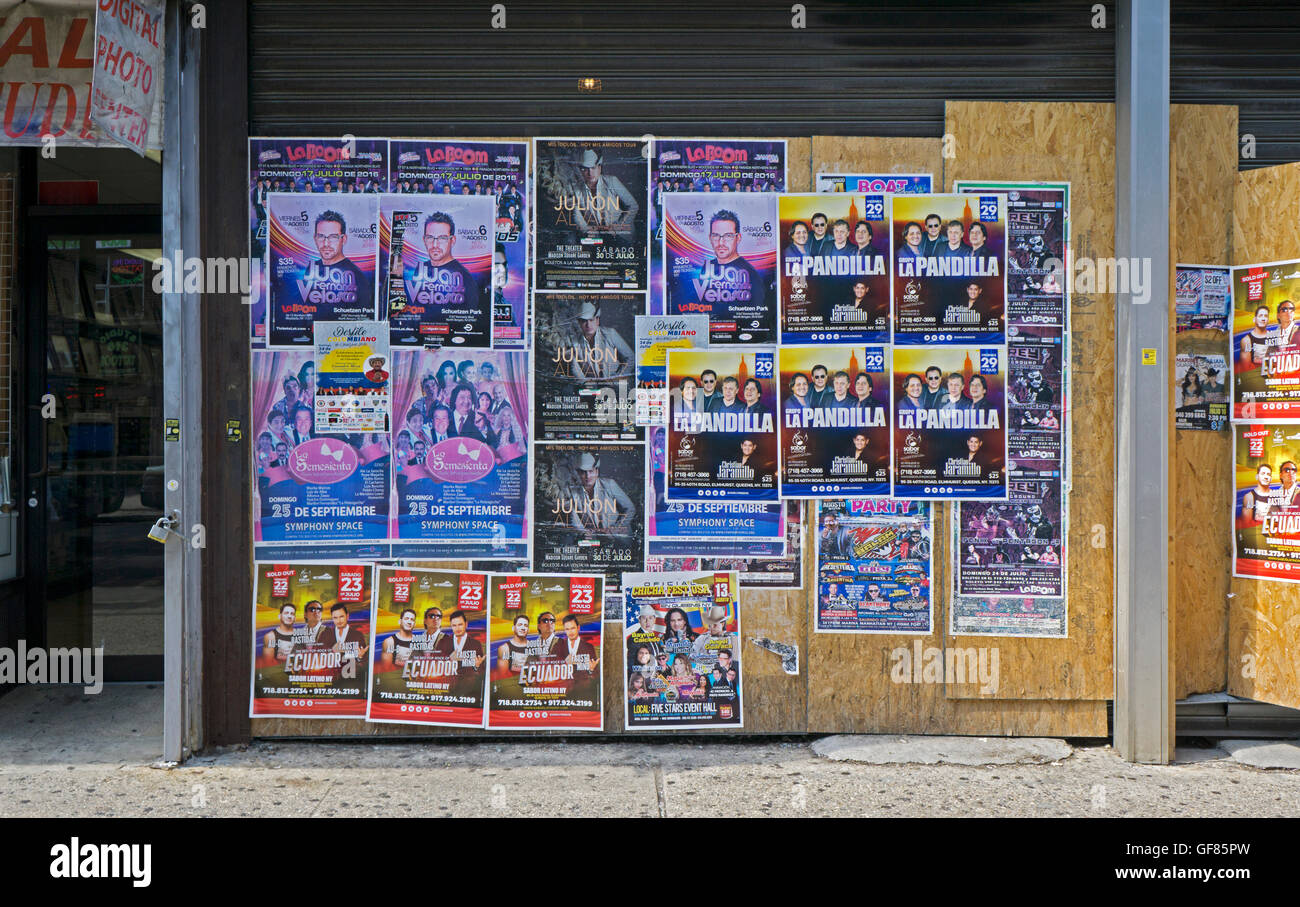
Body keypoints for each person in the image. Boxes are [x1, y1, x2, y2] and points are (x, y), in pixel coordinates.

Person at [297, 209, 373, 311]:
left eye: (333, 237)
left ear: (344, 239)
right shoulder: (311, 268)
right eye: (321, 236)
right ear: (315, 238)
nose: (326, 243)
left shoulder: (357, 277)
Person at [570, 148, 640, 233]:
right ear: (581, 171)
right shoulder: (577, 189)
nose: (590, 173)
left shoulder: (612, 181)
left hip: (620, 235)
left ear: (599, 167)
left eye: (593, 168)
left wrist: (616, 228)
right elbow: (577, 218)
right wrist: (589, 231)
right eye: (585, 169)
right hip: (597, 235)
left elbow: (633, 206)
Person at [567, 451, 636, 532]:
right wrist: (585, 533)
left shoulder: (609, 485)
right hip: (595, 540)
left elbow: (630, 508)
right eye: (583, 472)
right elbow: (575, 522)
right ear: (578, 473)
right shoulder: (574, 493)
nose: (588, 476)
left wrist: (614, 529)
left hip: (618, 538)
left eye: (591, 471)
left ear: (597, 471)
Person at [564, 300, 634, 379]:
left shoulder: (610, 334)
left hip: (614, 385)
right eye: (584, 321)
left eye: (591, 320)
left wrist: (618, 378)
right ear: (579, 323)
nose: (588, 325)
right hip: (591, 387)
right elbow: (575, 369)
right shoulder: (574, 342)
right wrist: (586, 384)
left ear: (597, 320)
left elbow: (630, 358)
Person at [319, 602, 368, 666]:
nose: (339, 621)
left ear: (347, 616)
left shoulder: (357, 635)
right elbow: (317, 655)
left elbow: (363, 663)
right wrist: (332, 651)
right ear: (332, 618)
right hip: (330, 673)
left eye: (341, 617)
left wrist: (360, 657)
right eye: (335, 618)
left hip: (350, 674)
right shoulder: (325, 634)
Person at [1240, 304, 1273, 369]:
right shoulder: (1246, 340)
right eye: (1260, 316)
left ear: (1268, 320)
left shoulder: (1274, 336)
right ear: (1254, 319)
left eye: (1266, 316)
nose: (1263, 319)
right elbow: (1246, 369)